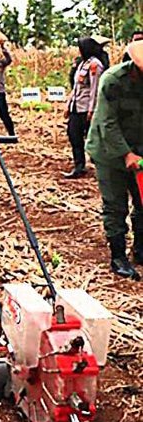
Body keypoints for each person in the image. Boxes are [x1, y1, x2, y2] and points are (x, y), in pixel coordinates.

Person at [86, 40, 143, 280]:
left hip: (139, 151)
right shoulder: (113, 80)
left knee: (142, 203)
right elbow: (107, 123)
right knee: (115, 204)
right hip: (108, 151)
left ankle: (140, 250)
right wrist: (126, 153)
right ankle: (118, 256)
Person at [64, 38, 104, 179]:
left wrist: (91, 110)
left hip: (86, 108)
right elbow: (76, 88)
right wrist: (69, 105)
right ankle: (79, 167)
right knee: (73, 135)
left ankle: (100, 167)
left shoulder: (95, 65)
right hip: (77, 106)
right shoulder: (83, 64)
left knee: (93, 139)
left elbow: (95, 89)